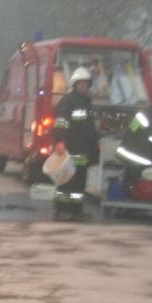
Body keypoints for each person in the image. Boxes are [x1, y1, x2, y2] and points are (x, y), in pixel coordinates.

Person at [52, 67, 100, 220]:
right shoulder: (68, 101)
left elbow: (89, 127)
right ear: (74, 84)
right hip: (70, 148)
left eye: (86, 83)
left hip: (83, 151)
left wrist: (96, 144)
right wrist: (60, 141)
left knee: (79, 184)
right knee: (66, 182)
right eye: (81, 83)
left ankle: (76, 211)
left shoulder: (86, 102)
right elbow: (61, 123)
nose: (84, 86)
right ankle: (61, 211)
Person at [115, 104, 152, 197]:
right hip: (138, 155)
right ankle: (134, 196)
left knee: (131, 177)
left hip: (127, 150)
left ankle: (127, 194)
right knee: (140, 177)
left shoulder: (146, 113)